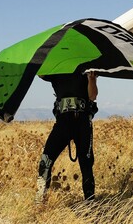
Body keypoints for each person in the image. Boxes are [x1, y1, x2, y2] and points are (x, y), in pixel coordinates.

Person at [36, 71, 98, 202]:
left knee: (86, 165)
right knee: (45, 161)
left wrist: (91, 79)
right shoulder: (55, 68)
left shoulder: (86, 66)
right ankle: (40, 202)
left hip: (82, 122)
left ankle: (91, 203)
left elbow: (92, 96)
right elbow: (39, 71)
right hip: (63, 121)